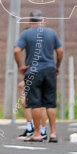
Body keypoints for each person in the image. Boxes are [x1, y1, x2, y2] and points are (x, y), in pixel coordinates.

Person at [14, 10, 63, 143]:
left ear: (29, 21)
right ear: (42, 20)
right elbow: (60, 51)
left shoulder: (26, 34)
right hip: (50, 70)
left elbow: (17, 50)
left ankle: (37, 134)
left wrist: (20, 66)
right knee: (50, 104)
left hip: (33, 70)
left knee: (35, 104)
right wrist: (57, 65)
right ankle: (52, 133)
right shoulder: (51, 33)